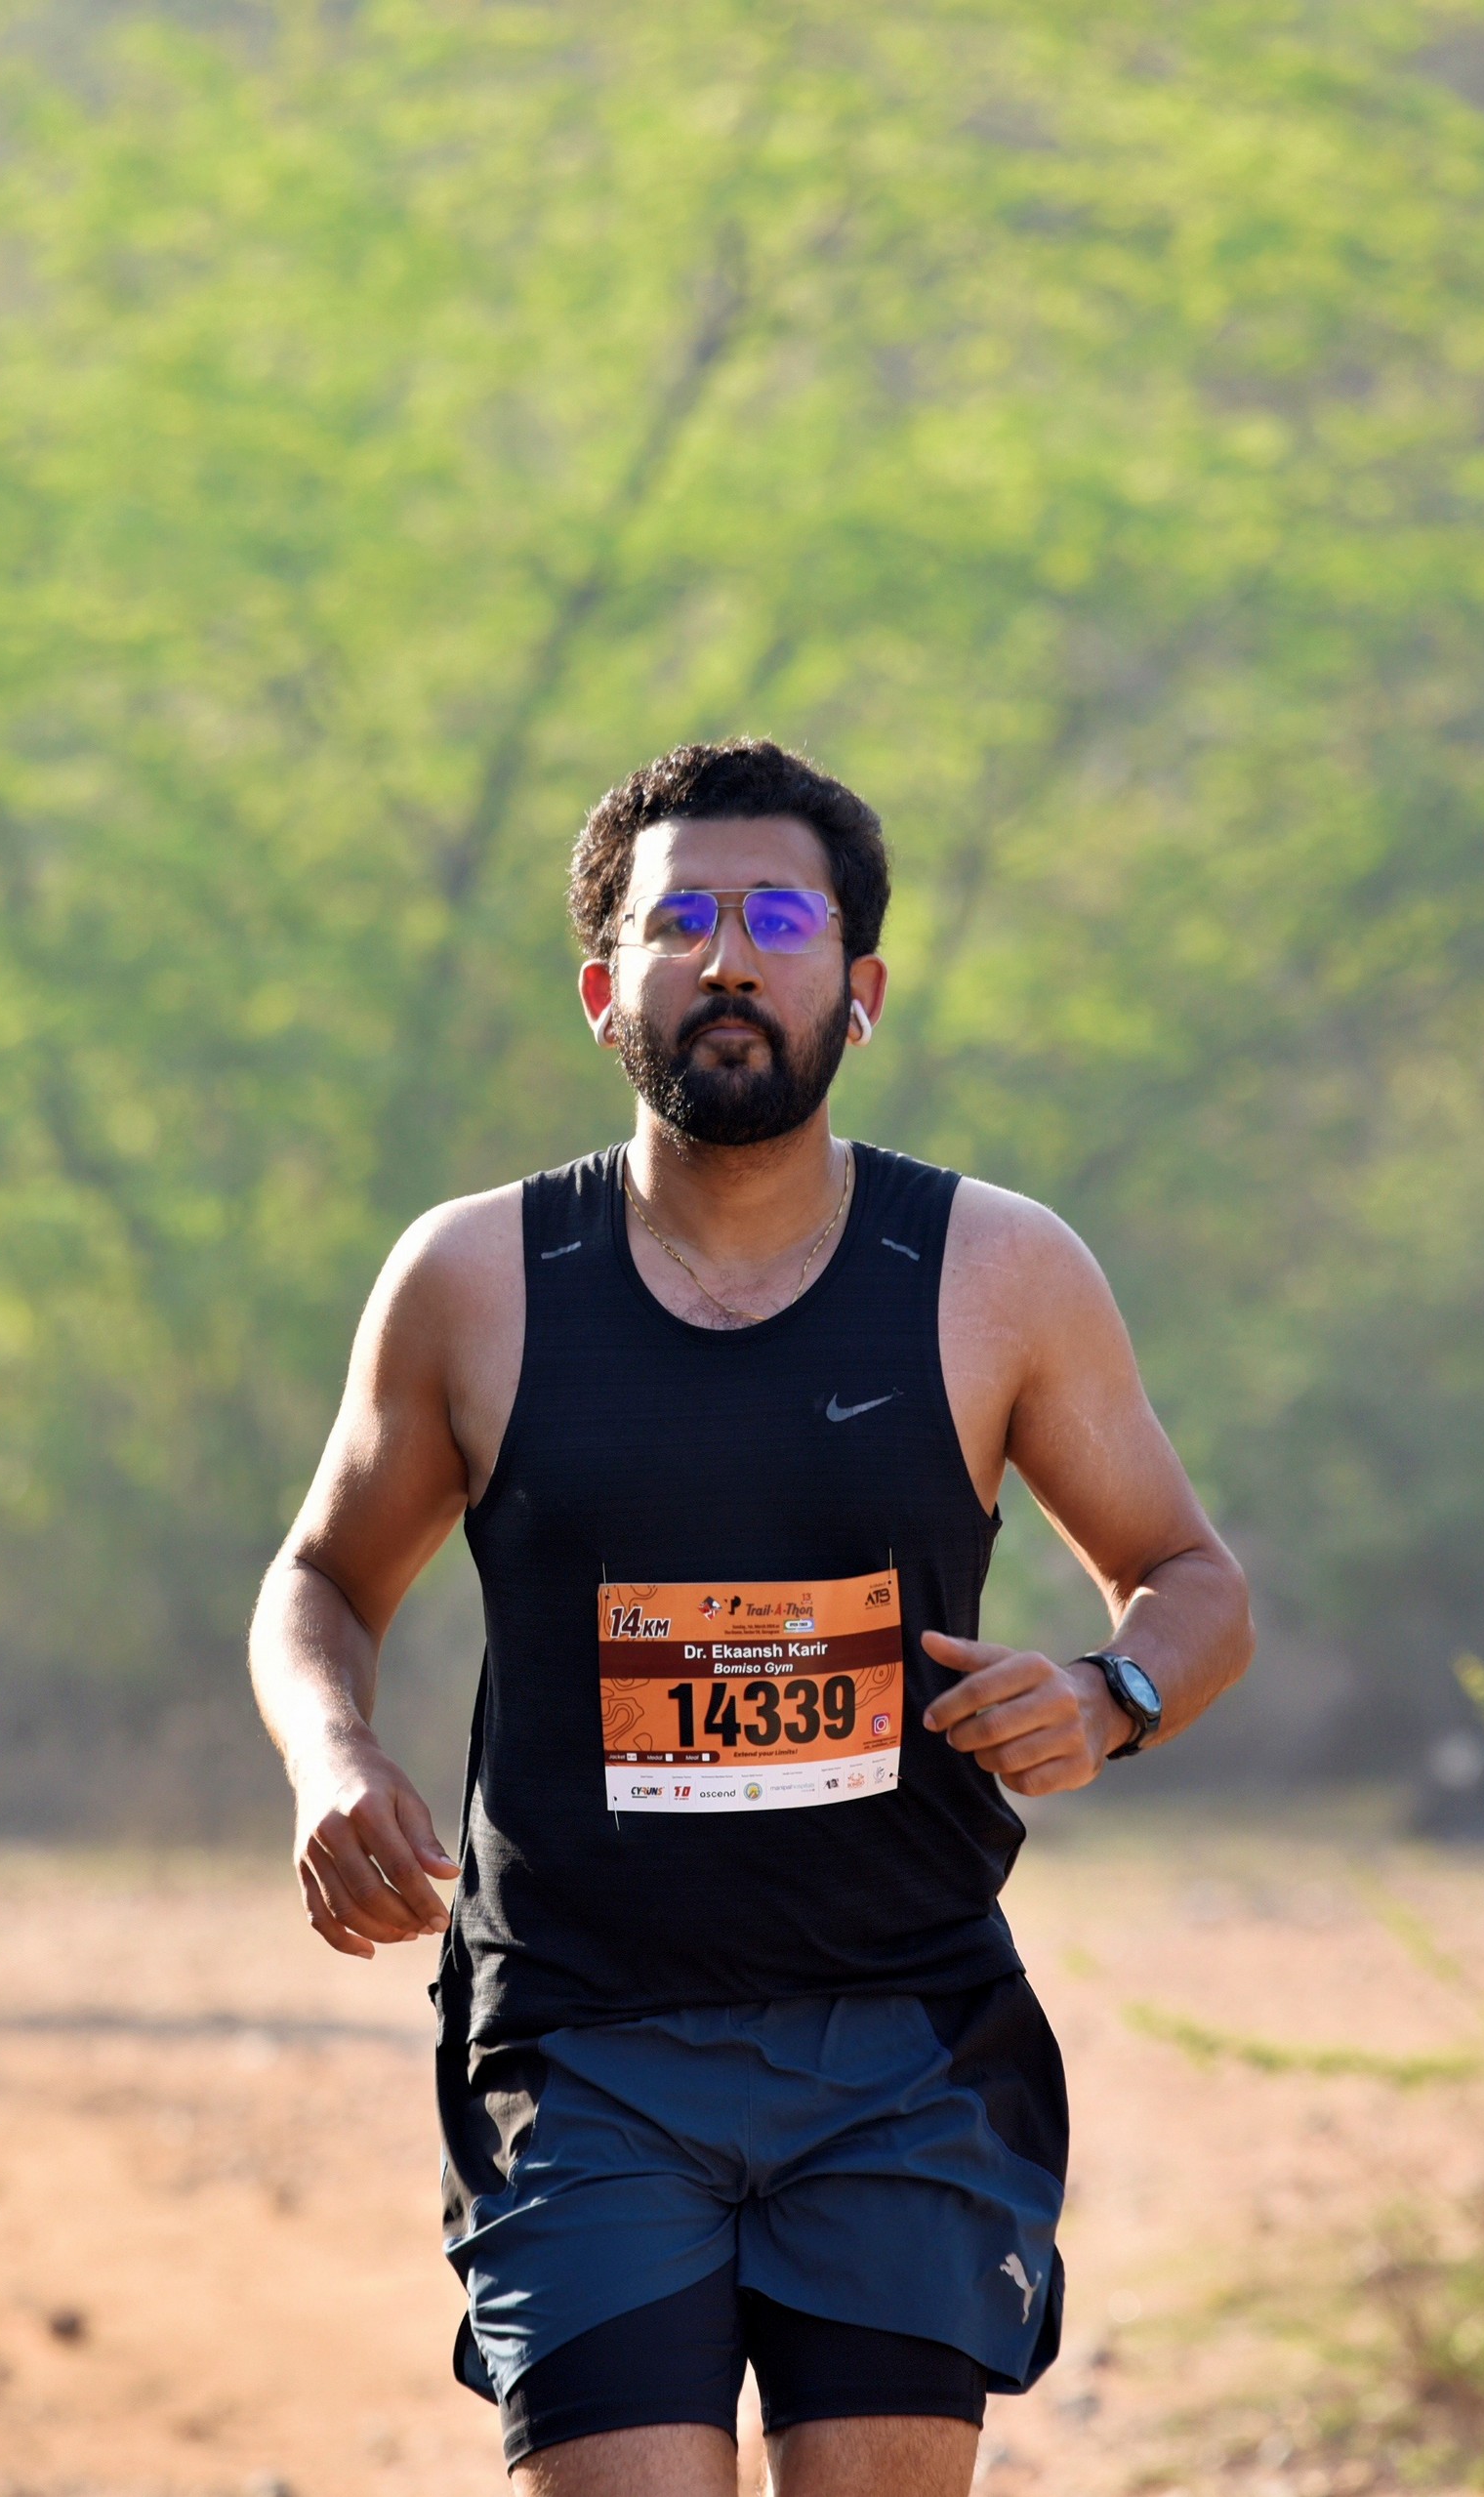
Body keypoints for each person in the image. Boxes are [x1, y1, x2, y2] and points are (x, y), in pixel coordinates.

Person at [248, 740, 1254, 2497]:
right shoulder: (475, 1281)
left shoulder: (997, 1273)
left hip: (906, 2039)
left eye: (780, 921)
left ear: (859, 987)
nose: (728, 959)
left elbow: (1194, 1580)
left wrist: (1111, 1694)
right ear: (602, 991)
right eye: (679, 923)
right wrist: (332, 1759)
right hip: (579, 2041)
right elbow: (320, 1581)